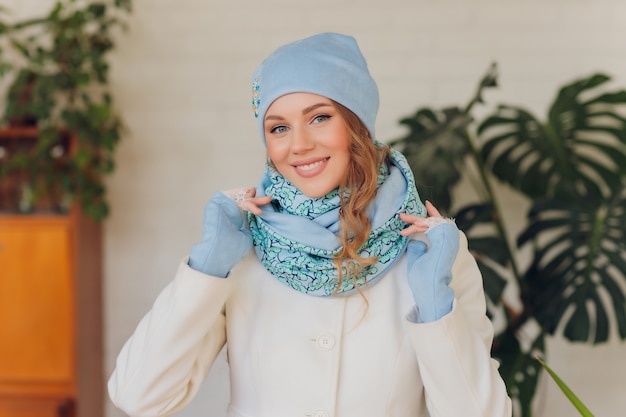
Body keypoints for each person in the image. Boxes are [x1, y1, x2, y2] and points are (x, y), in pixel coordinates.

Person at [108, 32, 512, 417]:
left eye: (319, 118)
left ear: (358, 124)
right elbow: (140, 396)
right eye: (278, 127)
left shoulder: (434, 249)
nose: (298, 144)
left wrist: (436, 309)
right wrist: (205, 269)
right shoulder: (241, 246)